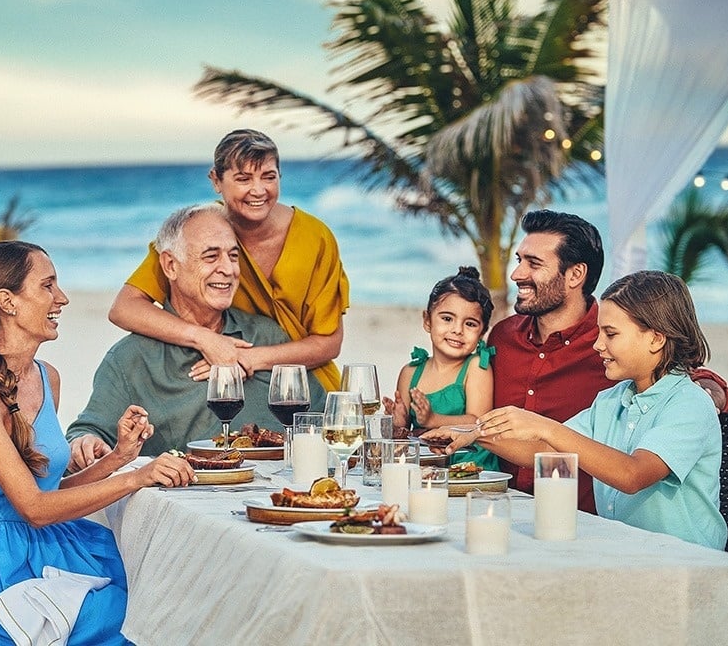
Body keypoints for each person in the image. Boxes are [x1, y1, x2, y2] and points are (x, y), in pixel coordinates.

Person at [0, 241, 195, 645]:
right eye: (48, 286)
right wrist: (135, 477)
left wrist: (120, 457)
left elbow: (51, 493)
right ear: (8, 302)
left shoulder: (47, 377)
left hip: (48, 543)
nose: (62, 298)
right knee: (128, 612)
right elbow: (34, 509)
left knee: (156, 586)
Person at [450, 270, 728, 549]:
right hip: (623, 553)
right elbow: (542, 450)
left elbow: (633, 475)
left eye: (611, 334)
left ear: (656, 338)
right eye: (599, 333)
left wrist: (545, 425)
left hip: (686, 564)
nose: (598, 345)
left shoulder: (689, 404)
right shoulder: (610, 401)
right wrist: (471, 434)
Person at [482, 209, 728, 514]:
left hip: (587, 523)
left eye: (533, 263)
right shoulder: (503, 338)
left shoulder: (619, 350)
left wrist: (712, 392)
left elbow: (677, 377)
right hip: (513, 508)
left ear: (575, 274)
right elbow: (541, 448)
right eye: (519, 260)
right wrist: (463, 432)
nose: (516, 274)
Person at [67, 204, 324, 466]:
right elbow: (88, 433)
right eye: (211, 257)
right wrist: (85, 443)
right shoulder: (131, 358)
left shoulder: (267, 336)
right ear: (170, 266)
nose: (228, 269)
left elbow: (321, 420)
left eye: (233, 256)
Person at [108, 128, 350, 391]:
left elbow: (329, 343)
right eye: (243, 179)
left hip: (306, 383)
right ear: (216, 180)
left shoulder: (315, 237)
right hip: (224, 380)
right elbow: (125, 308)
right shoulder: (198, 231)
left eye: (268, 177)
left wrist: (247, 358)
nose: (258, 190)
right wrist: (204, 339)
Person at [386, 266, 500, 472]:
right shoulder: (410, 372)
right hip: (428, 469)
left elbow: (477, 422)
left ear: (482, 332)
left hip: (473, 470)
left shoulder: (476, 367)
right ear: (427, 320)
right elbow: (405, 437)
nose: (457, 330)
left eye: (471, 324)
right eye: (447, 319)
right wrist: (398, 423)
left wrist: (433, 420)